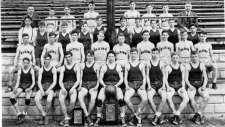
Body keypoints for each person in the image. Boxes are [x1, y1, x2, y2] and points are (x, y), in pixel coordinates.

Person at [95, 51, 125, 126]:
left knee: (121, 100)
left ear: (115, 57)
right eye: (109, 56)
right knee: (99, 100)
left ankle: (122, 118)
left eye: (112, 56)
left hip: (116, 85)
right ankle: (98, 118)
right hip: (106, 85)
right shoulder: (104, 66)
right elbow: (100, 79)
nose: (111, 58)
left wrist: (116, 86)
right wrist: (104, 85)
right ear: (107, 57)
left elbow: (121, 79)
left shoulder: (118, 66)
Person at [124, 48, 147, 126]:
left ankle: (136, 115)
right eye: (132, 53)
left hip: (140, 84)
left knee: (145, 99)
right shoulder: (127, 64)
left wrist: (144, 85)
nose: (133, 55)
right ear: (130, 54)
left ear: (137, 54)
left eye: (135, 53)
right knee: (126, 99)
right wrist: (126, 85)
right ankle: (135, 115)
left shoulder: (141, 64)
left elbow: (144, 76)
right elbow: (125, 78)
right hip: (131, 84)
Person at [165, 52, 189, 125]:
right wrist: (168, 87)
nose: (175, 59)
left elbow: (183, 79)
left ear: (178, 58)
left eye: (176, 58)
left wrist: (183, 87)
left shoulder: (181, 67)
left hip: (179, 85)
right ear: (171, 58)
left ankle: (177, 114)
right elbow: (165, 79)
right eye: (174, 58)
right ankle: (175, 113)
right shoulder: (168, 67)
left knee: (186, 99)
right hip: (171, 85)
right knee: (168, 97)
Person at [9, 57, 35, 124]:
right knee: (12, 97)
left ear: (29, 63)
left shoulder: (31, 70)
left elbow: (34, 82)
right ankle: (19, 114)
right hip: (22, 85)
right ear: (23, 63)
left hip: (29, 86)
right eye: (24, 62)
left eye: (27, 63)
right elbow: (18, 81)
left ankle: (23, 114)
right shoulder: (20, 70)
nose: (25, 64)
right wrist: (15, 88)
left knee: (27, 98)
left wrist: (30, 88)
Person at [185, 51, 209, 125]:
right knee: (191, 98)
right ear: (190, 57)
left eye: (195, 56)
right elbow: (186, 79)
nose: (194, 58)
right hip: (191, 84)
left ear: (198, 57)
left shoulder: (201, 65)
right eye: (192, 56)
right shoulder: (188, 65)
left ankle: (198, 114)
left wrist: (204, 85)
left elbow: (205, 78)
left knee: (206, 97)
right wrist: (189, 86)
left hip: (200, 84)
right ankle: (200, 116)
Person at [58, 52, 81, 127]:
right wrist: (63, 88)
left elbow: (78, 80)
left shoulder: (76, 66)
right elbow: (60, 81)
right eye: (66, 57)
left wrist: (73, 88)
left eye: (69, 57)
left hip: (73, 85)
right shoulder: (63, 67)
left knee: (73, 101)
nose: (68, 58)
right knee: (61, 100)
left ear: (72, 57)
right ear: (65, 58)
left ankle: (66, 118)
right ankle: (66, 118)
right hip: (64, 85)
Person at [78, 51, 100, 126]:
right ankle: (87, 116)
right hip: (84, 84)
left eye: (91, 56)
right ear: (86, 56)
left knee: (93, 98)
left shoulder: (96, 65)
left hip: (93, 84)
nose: (90, 57)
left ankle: (87, 116)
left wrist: (97, 86)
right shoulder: (82, 65)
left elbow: (98, 77)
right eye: (88, 56)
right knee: (80, 96)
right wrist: (80, 86)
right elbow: (80, 77)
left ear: (93, 57)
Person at [146, 48, 167, 126]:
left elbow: (164, 76)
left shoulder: (161, 63)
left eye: (156, 53)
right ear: (151, 53)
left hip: (160, 84)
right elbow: (147, 76)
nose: (154, 54)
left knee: (164, 97)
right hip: (152, 84)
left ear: (158, 54)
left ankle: (156, 116)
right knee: (149, 97)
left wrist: (164, 85)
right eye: (153, 53)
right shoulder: (148, 63)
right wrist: (148, 85)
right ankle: (159, 116)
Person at [35, 54, 57, 125]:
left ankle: (43, 117)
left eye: (48, 59)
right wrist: (41, 90)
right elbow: (39, 81)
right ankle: (44, 115)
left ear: (50, 60)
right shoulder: (41, 69)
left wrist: (49, 89)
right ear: (44, 60)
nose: (47, 60)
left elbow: (54, 82)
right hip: (43, 86)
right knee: (36, 99)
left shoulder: (53, 69)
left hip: (50, 87)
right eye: (46, 59)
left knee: (49, 99)